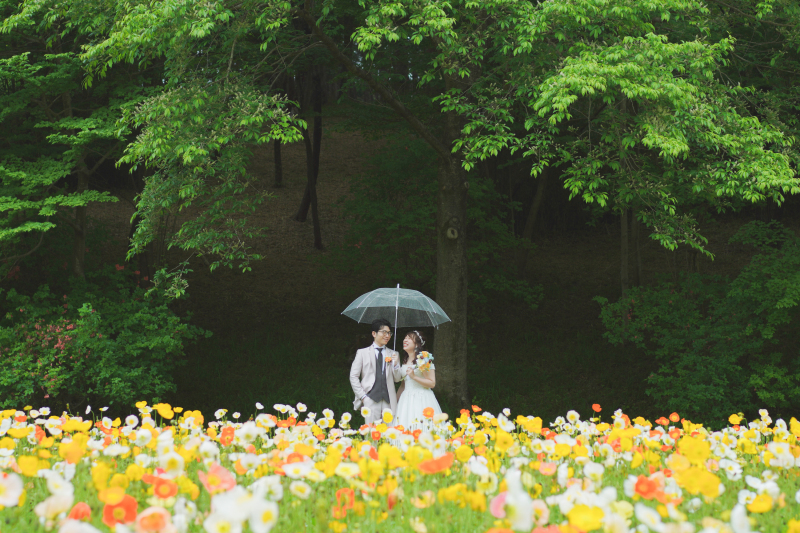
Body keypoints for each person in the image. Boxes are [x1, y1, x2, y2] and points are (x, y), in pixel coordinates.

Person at [349, 318, 404, 425]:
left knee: (388, 435)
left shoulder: (394, 354)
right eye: (384, 332)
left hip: (389, 401)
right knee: (371, 434)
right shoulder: (362, 353)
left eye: (389, 333)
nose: (387, 335)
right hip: (370, 399)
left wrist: (396, 364)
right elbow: (353, 376)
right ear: (374, 333)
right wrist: (363, 397)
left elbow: (397, 379)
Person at [395, 330, 442, 430]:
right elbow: (403, 385)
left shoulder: (424, 359)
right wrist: (395, 402)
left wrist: (414, 377)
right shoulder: (404, 360)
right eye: (405, 338)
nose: (405, 340)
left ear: (417, 344)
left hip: (421, 398)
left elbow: (432, 383)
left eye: (409, 338)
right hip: (406, 400)